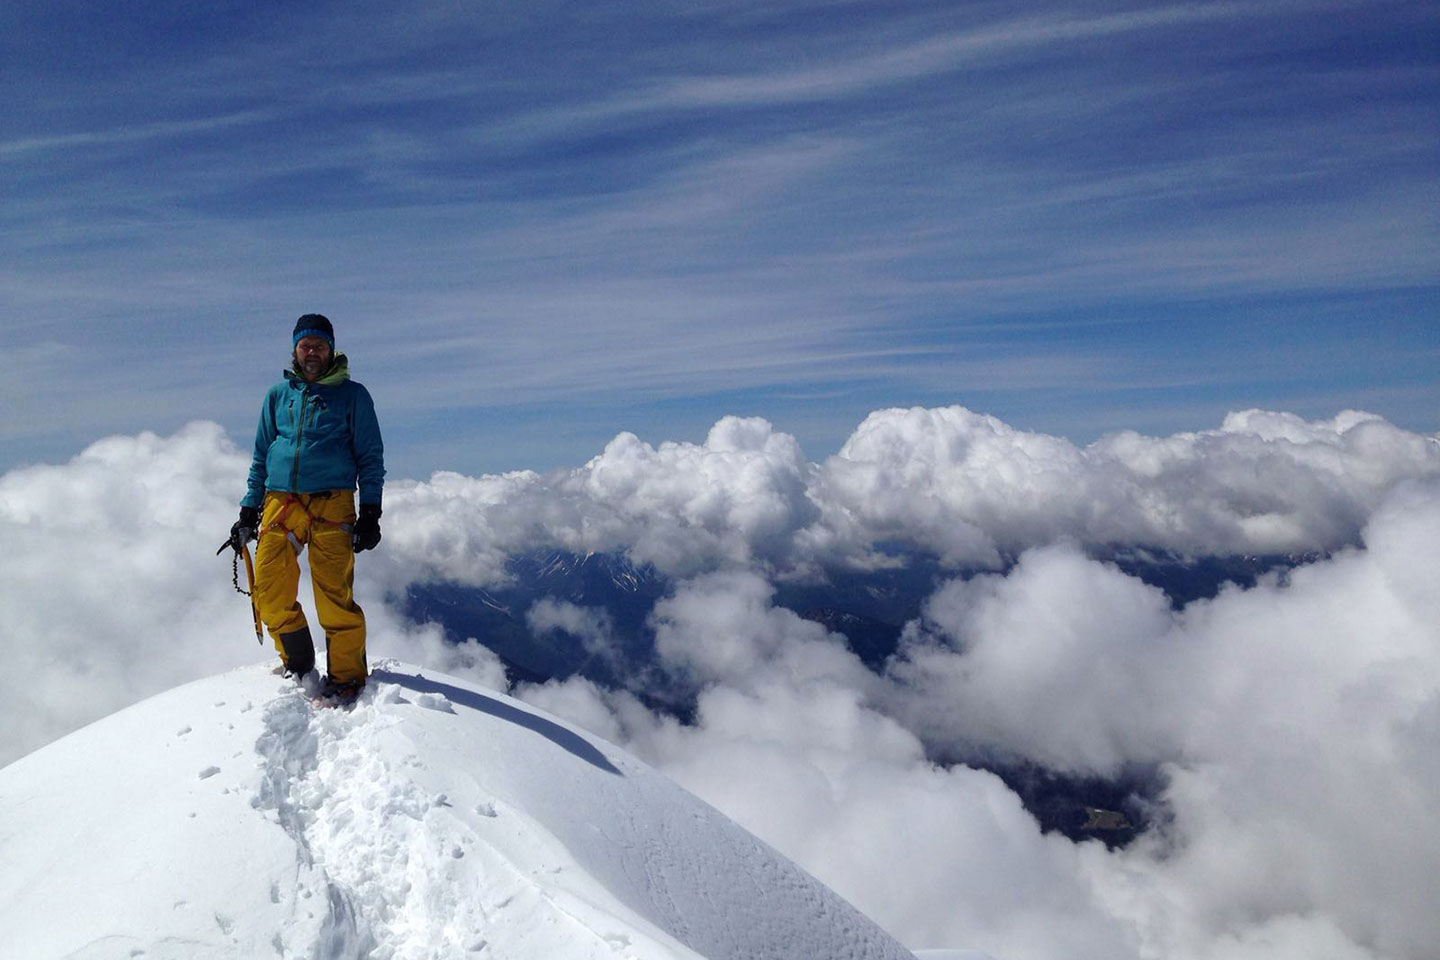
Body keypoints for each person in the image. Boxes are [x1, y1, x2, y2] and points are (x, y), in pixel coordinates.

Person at [226, 314, 385, 704]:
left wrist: (371, 512)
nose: (312, 351)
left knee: (334, 595)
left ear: (332, 349)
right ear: (295, 350)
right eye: (305, 345)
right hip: (280, 501)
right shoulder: (278, 395)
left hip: (334, 501)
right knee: (267, 589)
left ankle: (347, 677)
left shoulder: (353, 396)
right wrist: (249, 510)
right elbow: (262, 455)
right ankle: (298, 662)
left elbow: (370, 456)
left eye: (319, 345)